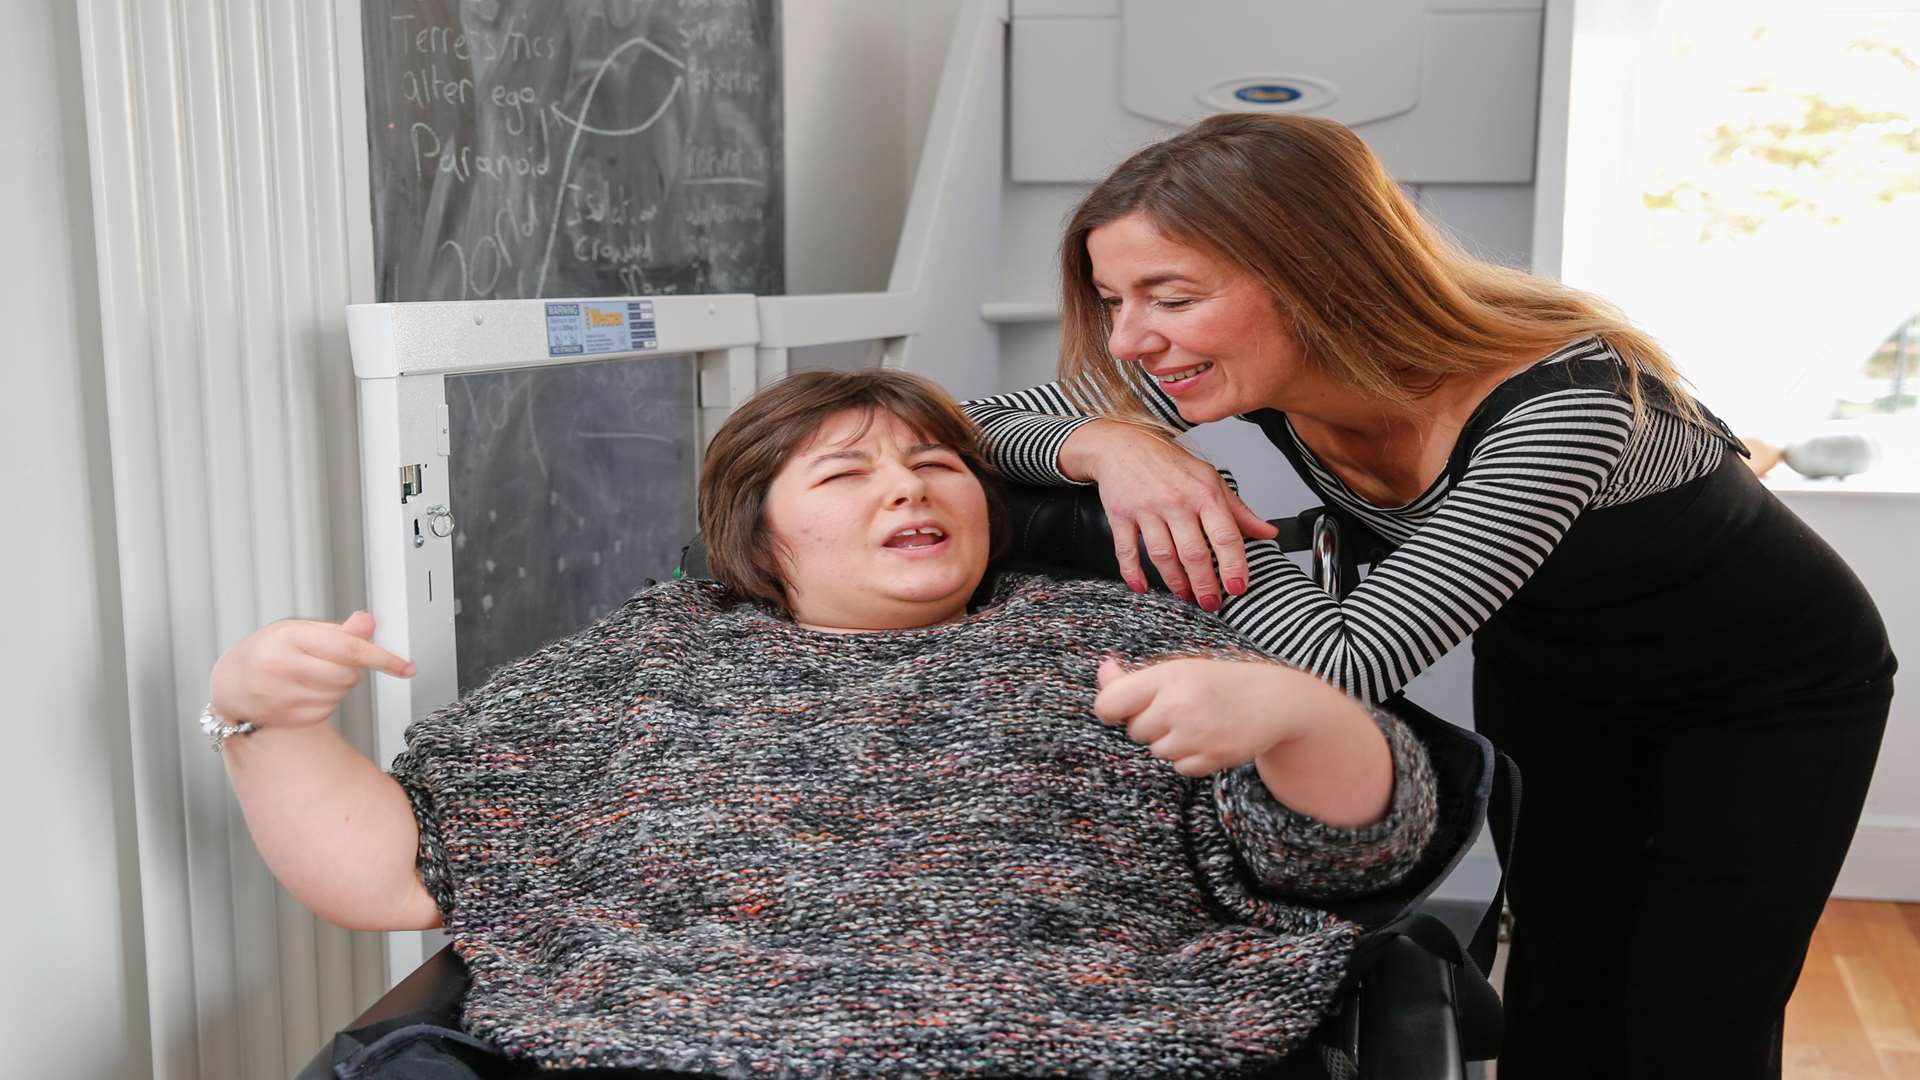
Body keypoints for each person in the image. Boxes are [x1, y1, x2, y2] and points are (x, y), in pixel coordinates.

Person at [960, 112, 1897, 1079]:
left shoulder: (1571, 399)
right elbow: (951, 427)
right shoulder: (1231, 365)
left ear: (1318, 274)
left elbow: (1340, 661)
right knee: (1560, 977)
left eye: (1170, 296)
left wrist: (1212, 502)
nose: (1129, 341)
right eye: (1115, 300)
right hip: (1557, 675)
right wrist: (1111, 445)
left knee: (1698, 1009)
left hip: (1768, 695)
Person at [207, 368, 1440, 1078]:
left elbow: (1359, 856)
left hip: (1085, 1047)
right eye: (846, 474)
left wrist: (1293, 713)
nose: (909, 485)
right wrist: (265, 721)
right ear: (759, 534)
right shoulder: (640, 662)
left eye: (939, 465)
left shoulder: (1112, 637)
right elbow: (393, 878)